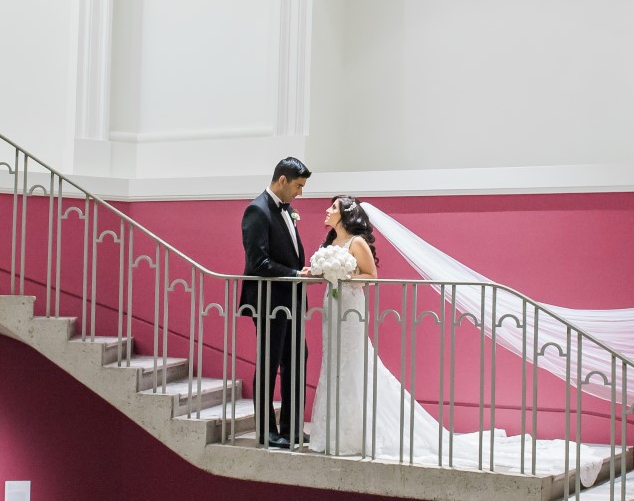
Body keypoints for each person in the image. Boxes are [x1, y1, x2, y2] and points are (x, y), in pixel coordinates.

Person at [307, 196, 604, 484]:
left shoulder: (356, 243)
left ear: (345, 213)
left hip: (352, 306)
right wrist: (320, 271)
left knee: (354, 362)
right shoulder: (331, 243)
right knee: (334, 360)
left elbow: (371, 275)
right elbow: (326, 272)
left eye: (332, 207)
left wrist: (343, 275)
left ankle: (355, 433)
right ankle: (332, 432)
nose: (327, 211)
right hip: (334, 307)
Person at [240, 157, 311, 449]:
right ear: (282, 180)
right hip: (268, 301)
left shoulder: (288, 211)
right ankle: (265, 431)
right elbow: (259, 262)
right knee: (269, 364)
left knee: (296, 359)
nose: (300, 193)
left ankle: (292, 428)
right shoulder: (257, 211)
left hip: (290, 301)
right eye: (298, 186)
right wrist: (296, 274)